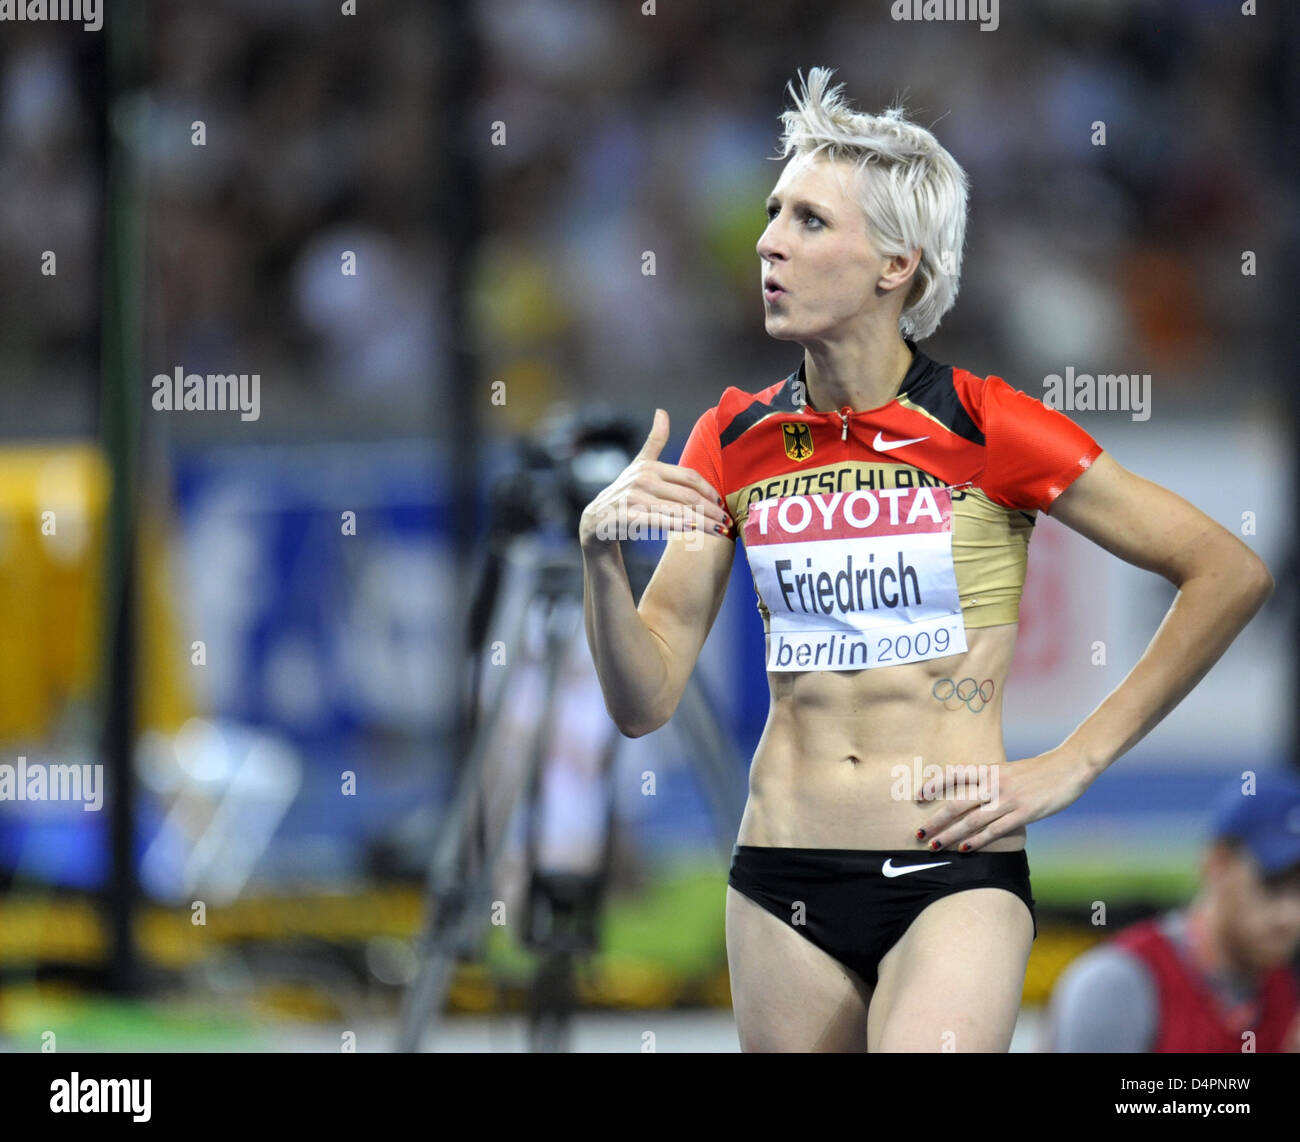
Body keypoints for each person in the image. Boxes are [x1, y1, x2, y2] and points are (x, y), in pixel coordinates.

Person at [578, 66, 1274, 1052]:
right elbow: (642, 701)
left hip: (951, 868)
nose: (769, 240)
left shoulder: (991, 425)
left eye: (810, 221)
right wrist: (599, 563)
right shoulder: (730, 436)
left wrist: (1074, 762)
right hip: (781, 878)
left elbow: (1226, 570)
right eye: (773, 211)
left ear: (895, 263)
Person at [1043, 772, 1300, 1052]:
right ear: (1218, 864)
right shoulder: (1118, 983)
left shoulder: (1285, 988)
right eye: (1272, 883)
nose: (1290, 915)